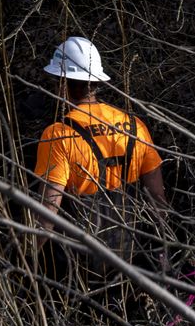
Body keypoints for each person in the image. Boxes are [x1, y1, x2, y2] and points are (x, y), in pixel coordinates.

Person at [32, 36, 168, 273]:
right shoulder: (135, 126)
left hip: (80, 267)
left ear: (63, 83)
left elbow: (47, 213)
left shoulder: (58, 134)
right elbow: (159, 202)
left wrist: (26, 257)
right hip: (132, 261)